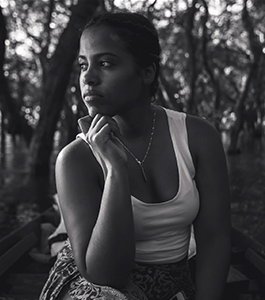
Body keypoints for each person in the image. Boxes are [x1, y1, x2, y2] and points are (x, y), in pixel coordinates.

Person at [40, 11, 231, 300]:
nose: (88, 78)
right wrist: (116, 170)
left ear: (147, 72)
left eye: (105, 63)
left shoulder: (198, 137)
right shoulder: (75, 159)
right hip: (92, 286)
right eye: (83, 65)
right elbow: (105, 275)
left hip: (172, 279)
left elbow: (215, 238)